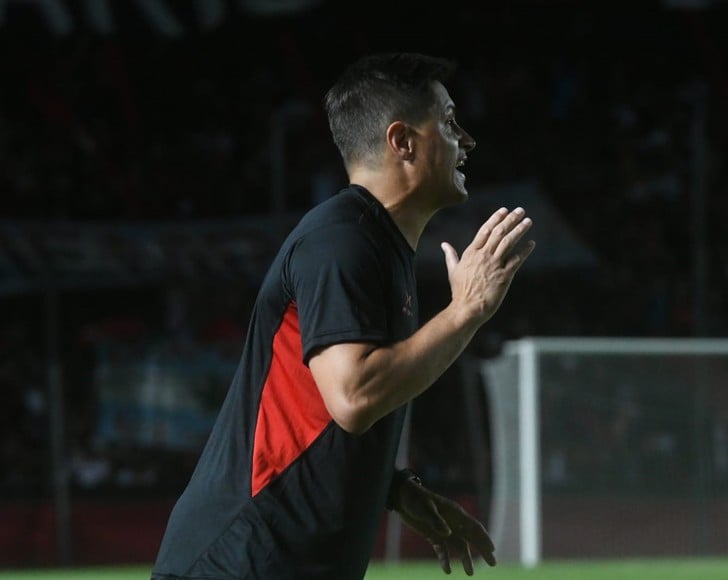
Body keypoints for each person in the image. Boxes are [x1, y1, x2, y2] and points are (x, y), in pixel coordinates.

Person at [151, 52, 535, 580]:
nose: (465, 139)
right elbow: (353, 397)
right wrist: (467, 309)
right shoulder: (342, 241)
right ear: (402, 141)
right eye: (448, 122)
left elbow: (319, 411)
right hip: (241, 562)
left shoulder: (373, 244)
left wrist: (394, 488)